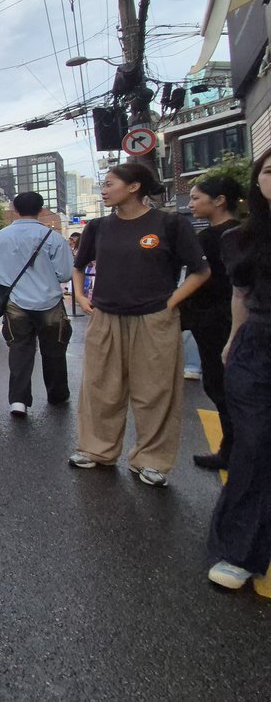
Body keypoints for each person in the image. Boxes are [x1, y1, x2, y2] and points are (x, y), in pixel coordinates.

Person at [70, 163, 209, 488]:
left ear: (134, 187)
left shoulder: (169, 223)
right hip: (105, 316)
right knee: (100, 387)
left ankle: (152, 460)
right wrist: (80, 295)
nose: (103, 189)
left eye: (109, 183)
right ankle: (96, 450)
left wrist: (170, 303)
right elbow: (79, 266)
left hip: (154, 318)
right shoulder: (99, 227)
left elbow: (201, 271)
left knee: (155, 391)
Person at [206, 148, 271, 589]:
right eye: (270, 170)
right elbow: (241, 295)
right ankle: (239, 549)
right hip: (257, 346)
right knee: (254, 446)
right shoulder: (242, 238)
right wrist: (233, 339)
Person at [0, 192, 74, 417]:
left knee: (20, 350)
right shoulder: (53, 237)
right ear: (41, 209)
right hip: (50, 301)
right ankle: (57, 394)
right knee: (54, 350)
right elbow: (64, 273)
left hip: (15, 302)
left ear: (15, 208)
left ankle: (18, 400)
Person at [181, 174, 243, 469]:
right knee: (220, 387)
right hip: (214, 321)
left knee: (224, 387)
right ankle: (233, 450)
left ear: (219, 201)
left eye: (196, 198)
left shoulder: (230, 236)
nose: (190, 204)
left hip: (221, 322)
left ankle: (234, 453)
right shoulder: (218, 234)